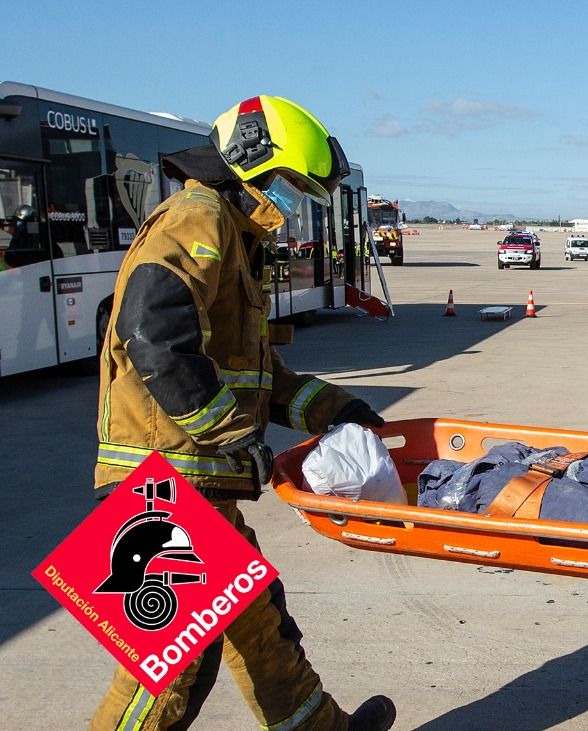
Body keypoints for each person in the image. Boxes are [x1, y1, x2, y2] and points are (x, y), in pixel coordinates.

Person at [90, 96, 395, 731]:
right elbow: (153, 332)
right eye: (289, 185)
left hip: (195, 483)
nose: (288, 204)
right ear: (250, 166)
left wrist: (337, 410)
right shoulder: (198, 218)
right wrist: (231, 434)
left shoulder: (229, 233)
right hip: (164, 483)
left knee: (261, 625)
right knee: (171, 670)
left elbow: (255, 377)